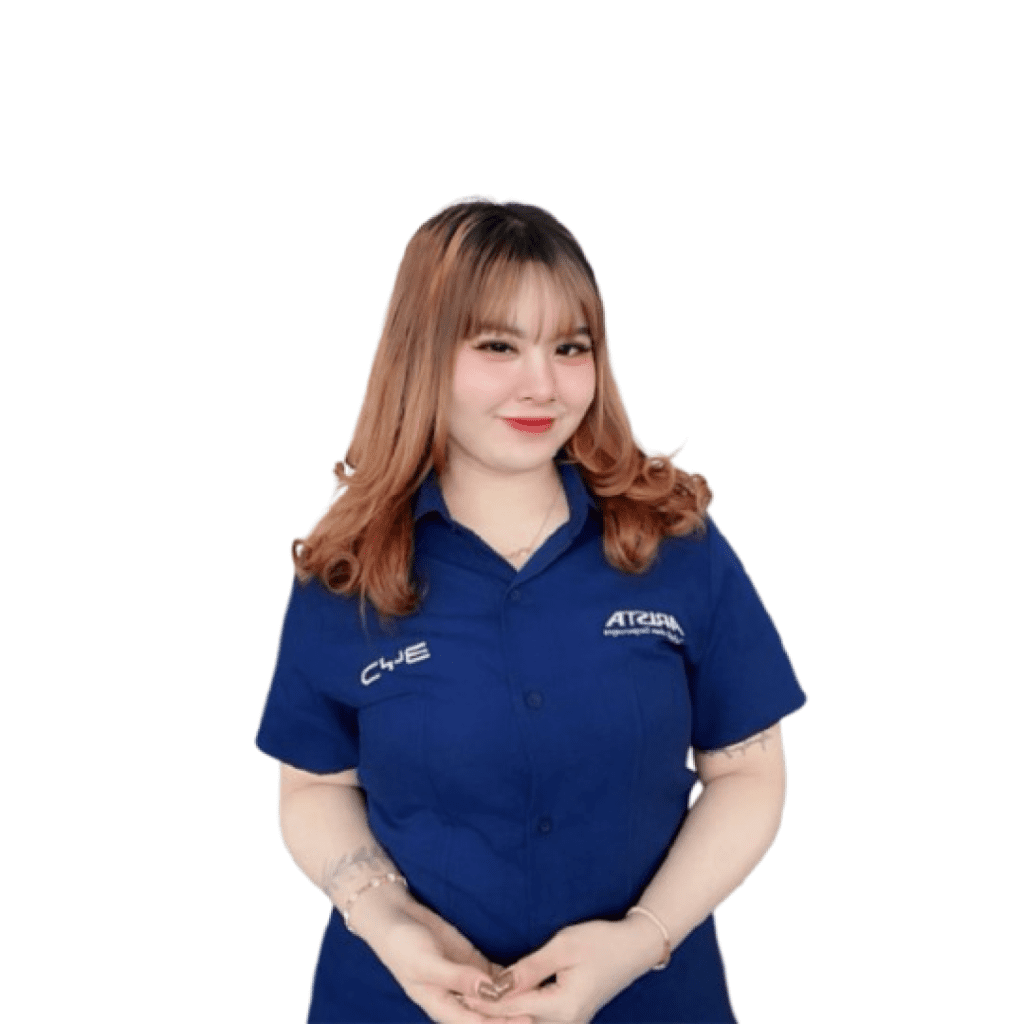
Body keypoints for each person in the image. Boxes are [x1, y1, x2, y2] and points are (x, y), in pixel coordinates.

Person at [255, 199, 807, 1024]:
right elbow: (313, 789)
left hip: (656, 1004)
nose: (542, 385)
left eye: (570, 347)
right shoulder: (347, 569)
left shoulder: (671, 541)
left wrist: (641, 940)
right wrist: (389, 921)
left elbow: (749, 773)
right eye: (498, 345)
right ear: (423, 352)